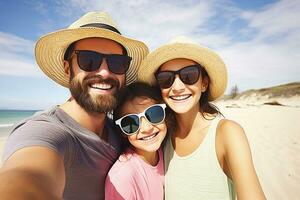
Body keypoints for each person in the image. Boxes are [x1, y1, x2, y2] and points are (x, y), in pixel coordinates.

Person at [0, 11, 148, 200]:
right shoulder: (47, 132)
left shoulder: (122, 129)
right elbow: (27, 177)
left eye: (116, 62)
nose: (104, 72)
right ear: (67, 68)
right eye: (88, 60)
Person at [138, 36, 266, 200]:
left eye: (189, 75)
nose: (177, 87)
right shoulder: (161, 136)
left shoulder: (227, 133)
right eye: (166, 79)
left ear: (204, 83)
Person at [105, 82, 169, 200]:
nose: (147, 128)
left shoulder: (166, 149)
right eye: (130, 123)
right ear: (122, 132)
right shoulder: (123, 177)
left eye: (154, 113)